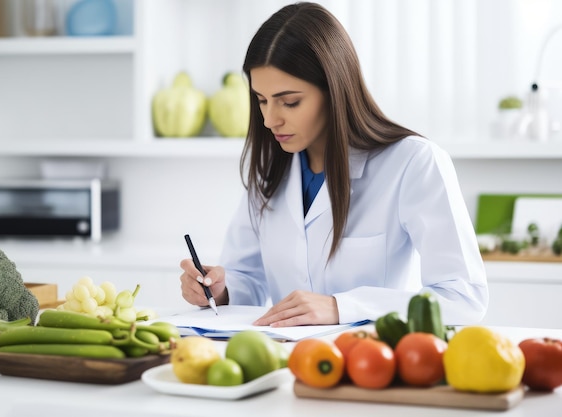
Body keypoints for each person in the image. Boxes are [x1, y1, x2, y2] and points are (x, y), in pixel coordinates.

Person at [179, 2, 488, 327]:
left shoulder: (413, 163)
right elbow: (249, 280)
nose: (270, 120)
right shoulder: (271, 170)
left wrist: (343, 307)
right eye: (261, 101)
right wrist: (221, 289)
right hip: (290, 362)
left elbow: (463, 298)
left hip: (375, 363)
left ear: (335, 89)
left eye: (290, 102)